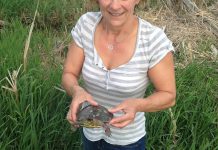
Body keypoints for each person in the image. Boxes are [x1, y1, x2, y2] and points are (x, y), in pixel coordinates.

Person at [62, 0, 176, 149]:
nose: (115, 5)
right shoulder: (86, 24)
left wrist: (138, 105)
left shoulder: (153, 40)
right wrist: (76, 90)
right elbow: (69, 73)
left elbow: (168, 96)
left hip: (128, 141)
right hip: (90, 131)